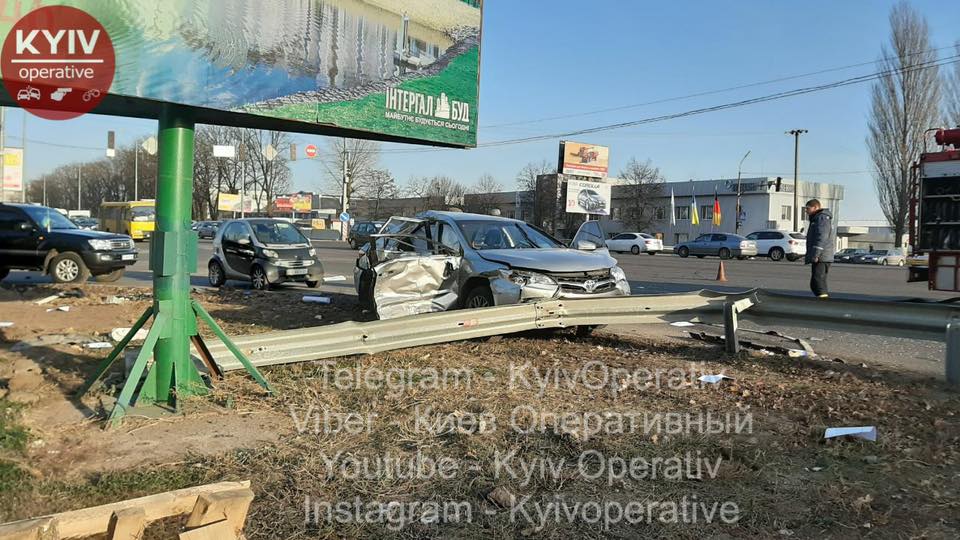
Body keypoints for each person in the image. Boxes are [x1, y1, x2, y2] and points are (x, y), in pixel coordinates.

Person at [804, 199, 835, 298]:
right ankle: (821, 301)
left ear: (815, 207)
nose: (806, 211)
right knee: (815, 283)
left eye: (808, 208)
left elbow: (822, 237)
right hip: (820, 256)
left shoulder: (822, 218)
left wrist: (816, 254)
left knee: (818, 281)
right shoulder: (816, 218)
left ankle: (824, 304)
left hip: (822, 257)